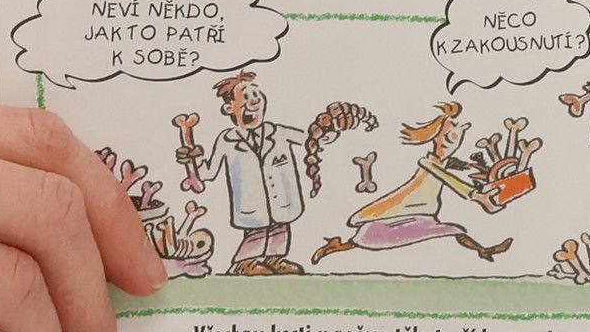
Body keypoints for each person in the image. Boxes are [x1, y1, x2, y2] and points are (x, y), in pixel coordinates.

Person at [311, 101, 511, 264]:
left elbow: (460, 167)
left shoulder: (445, 162)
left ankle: (483, 251)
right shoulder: (428, 163)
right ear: (437, 139)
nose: (451, 143)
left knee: (453, 230)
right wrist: (476, 195)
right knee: (371, 236)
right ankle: (337, 246)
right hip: (407, 209)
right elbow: (450, 180)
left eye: (456, 138)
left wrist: (481, 170)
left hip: (423, 213)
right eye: (449, 137)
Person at [195, 72, 311, 277]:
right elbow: (208, 173)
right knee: (256, 232)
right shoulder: (227, 140)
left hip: (281, 198)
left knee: (280, 227)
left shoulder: (278, 132)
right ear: (230, 108)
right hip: (251, 203)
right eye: (246, 97)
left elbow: (310, 141)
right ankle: (244, 263)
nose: (254, 100)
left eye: (256, 94)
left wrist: (326, 128)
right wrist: (193, 158)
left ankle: (275, 258)